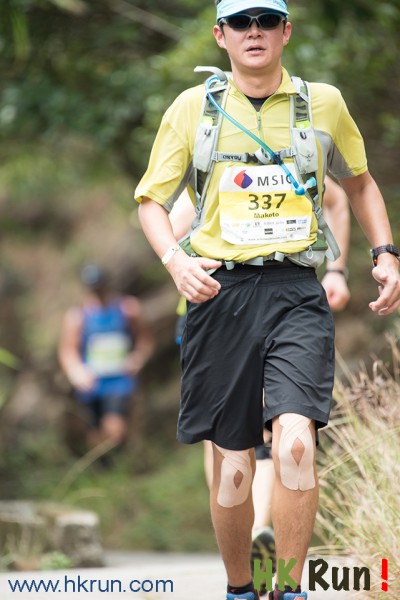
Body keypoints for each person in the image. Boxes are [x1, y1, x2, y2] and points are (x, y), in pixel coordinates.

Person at [135, 1, 400, 598]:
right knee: (233, 466)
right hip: (219, 293)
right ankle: (241, 587)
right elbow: (151, 201)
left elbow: (359, 184)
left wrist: (384, 253)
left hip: (295, 291)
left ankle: (287, 588)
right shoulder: (192, 109)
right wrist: (176, 262)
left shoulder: (323, 103)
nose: (253, 32)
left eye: (265, 21)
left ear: (286, 31)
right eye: (240, 23)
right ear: (220, 35)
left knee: (296, 443)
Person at [168, 176, 351, 593]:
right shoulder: (208, 162)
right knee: (230, 438)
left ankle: (261, 537)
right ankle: (248, 536)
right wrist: (180, 258)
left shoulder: (292, 155)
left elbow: (342, 197)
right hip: (210, 307)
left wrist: (336, 269)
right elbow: (166, 228)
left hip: (284, 300)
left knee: (280, 433)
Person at [58, 264, 153, 451]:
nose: (98, 291)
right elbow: (67, 350)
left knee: (116, 429)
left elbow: (145, 339)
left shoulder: (128, 309)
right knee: (95, 434)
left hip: (119, 381)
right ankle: (105, 465)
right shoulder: (77, 316)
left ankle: (120, 457)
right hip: (92, 384)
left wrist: (138, 358)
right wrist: (75, 371)